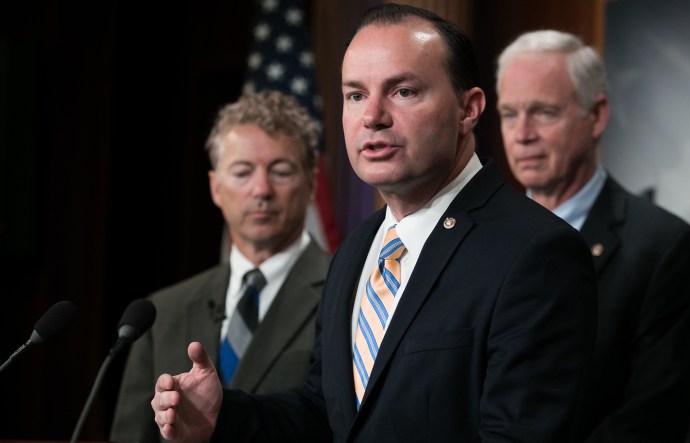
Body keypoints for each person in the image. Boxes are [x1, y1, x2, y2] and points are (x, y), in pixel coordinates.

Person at [151, 5, 598, 442]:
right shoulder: (356, 250)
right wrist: (223, 416)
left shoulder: (535, 252)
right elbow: (326, 411)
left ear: (469, 109)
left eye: (403, 91)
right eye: (356, 95)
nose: (372, 116)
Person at [495, 30, 690, 442]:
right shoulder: (477, 236)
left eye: (543, 112)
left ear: (597, 115)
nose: (521, 134)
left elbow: (653, 419)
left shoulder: (663, 248)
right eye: (508, 114)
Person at [110, 91, 331, 443]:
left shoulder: (348, 293)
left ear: (311, 183)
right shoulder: (161, 313)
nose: (262, 189)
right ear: (215, 187)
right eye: (242, 172)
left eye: (281, 171)